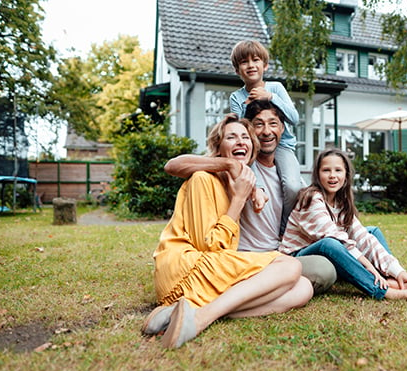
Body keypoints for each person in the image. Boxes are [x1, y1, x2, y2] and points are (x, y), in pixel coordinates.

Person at [142, 114, 313, 349]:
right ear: (219, 147)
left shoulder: (235, 183)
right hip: (185, 271)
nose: (241, 141)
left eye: (245, 137)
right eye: (231, 137)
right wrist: (239, 198)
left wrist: (248, 192)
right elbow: (209, 247)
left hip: (207, 271)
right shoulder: (203, 179)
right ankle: (200, 320)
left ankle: (185, 314)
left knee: (304, 288)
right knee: (291, 266)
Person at [164, 100, 337, 295]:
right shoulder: (225, 174)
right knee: (323, 271)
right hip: (239, 258)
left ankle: (266, 288)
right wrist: (228, 165)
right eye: (258, 125)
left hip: (276, 254)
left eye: (273, 124)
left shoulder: (288, 176)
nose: (266, 132)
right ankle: (257, 289)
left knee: (325, 263)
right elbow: (173, 166)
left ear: (282, 129)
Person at [280, 148, 407, 300]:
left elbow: (362, 236)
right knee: (330, 243)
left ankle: (397, 279)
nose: (332, 175)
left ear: (346, 174)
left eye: (338, 170)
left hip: (330, 254)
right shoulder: (312, 199)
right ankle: (385, 290)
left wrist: (400, 271)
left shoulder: (341, 201)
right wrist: (370, 268)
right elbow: (338, 241)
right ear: (317, 174)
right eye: (326, 170)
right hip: (299, 257)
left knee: (371, 232)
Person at [230, 40, 301, 233]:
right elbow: (241, 129)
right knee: (254, 182)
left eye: (256, 60)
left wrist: (270, 98)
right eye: (244, 62)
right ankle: (258, 195)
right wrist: (248, 105)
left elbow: (294, 118)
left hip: (282, 145)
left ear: (265, 65)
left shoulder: (276, 88)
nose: (251, 65)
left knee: (294, 187)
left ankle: (285, 229)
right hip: (254, 146)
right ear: (237, 70)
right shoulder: (236, 98)